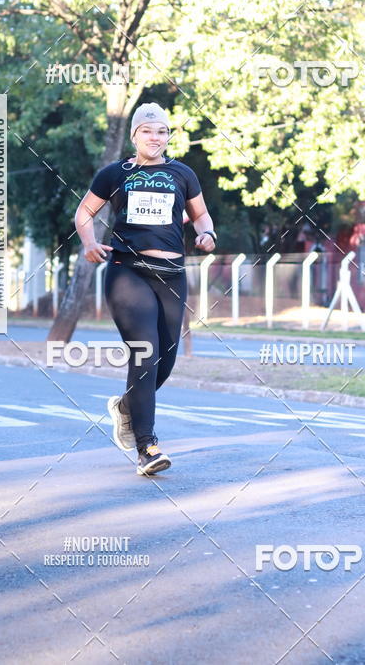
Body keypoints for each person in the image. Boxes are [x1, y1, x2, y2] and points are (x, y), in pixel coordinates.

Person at [74, 102, 216, 476]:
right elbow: (84, 212)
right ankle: (147, 448)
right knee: (146, 354)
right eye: (148, 131)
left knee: (165, 362)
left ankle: (126, 407)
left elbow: (201, 214)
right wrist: (89, 242)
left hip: (172, 274)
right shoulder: (114, 173)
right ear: (135, 135)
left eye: (162, 131)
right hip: (128, 271)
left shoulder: (182, 173)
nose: (155, 138)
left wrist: (207, 233)